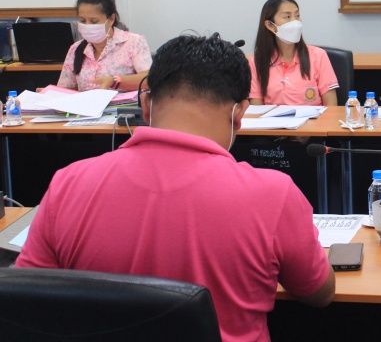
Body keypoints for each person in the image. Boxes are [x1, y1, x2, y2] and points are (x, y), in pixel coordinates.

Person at [18, 34, 335, 342]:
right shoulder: (272, 194)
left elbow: (27, 299)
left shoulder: (68, 183)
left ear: (145, 105)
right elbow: (318, 292)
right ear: (239, 113)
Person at [57, 0, 151, 91]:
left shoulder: (134, 42)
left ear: (111, 19)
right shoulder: (75, 49)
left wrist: (114, 81)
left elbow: (148, 80)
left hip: (121, 102)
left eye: (94, 21)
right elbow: (67, 89)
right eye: (82, 21)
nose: (87, 25)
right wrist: (52, 94)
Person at [249, 0, 338, 106]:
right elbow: (257, 109)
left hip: (314, 117)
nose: (295, 22)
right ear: (270, 25)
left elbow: (331, 106)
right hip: (274, 118)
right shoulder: (256, 62)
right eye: (287, 17)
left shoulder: (318, 56)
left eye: (297, 16)